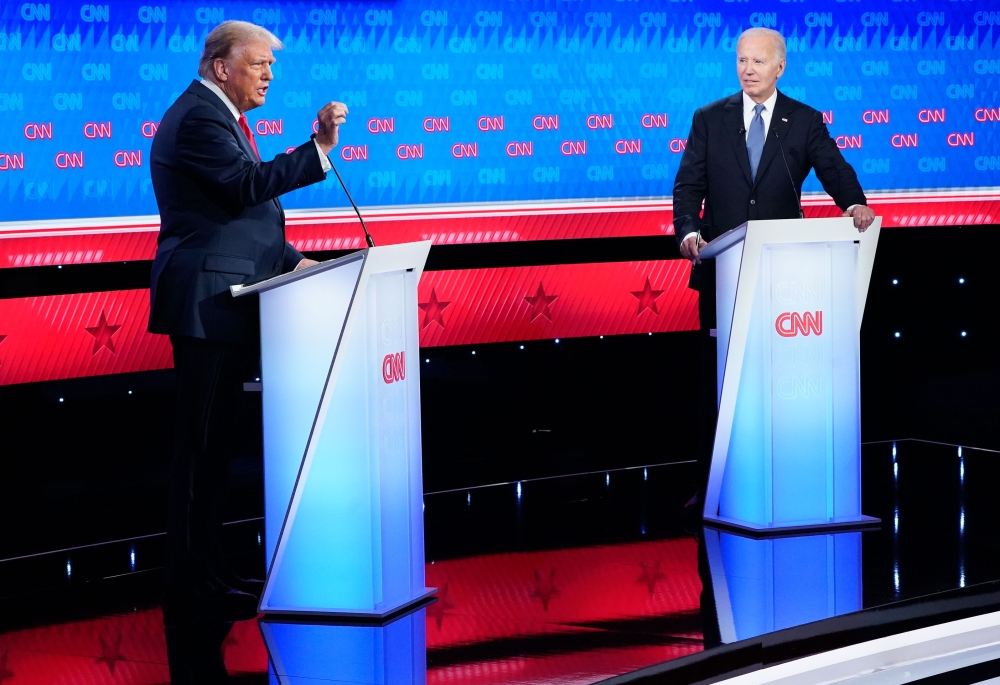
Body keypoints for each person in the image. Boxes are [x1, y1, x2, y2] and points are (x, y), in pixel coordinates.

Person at [148, 20, 348, 617]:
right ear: (221, 67)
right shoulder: (199, 118)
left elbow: (241, 219)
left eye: (271, 66)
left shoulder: (220, 118)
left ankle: (208, 570)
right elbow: (244, 187)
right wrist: (317, 149)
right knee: (201, 448)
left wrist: (295, 261)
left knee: (215, 449)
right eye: (259, 64)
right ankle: (190, 581)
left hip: (224, 300)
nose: (269, 75)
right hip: (207, 302)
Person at [672, 27, 876, 512]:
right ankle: (713, 488)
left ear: (780, 67)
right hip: (722, 270)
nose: (747, 70)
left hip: (785, 277)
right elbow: (689, 183)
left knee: (775, 378)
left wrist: (853, 203)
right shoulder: (709, 118)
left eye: (758, 62)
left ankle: (783, 481)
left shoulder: (803, 120)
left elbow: (833, 168)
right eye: (742, 60)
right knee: (718, 381)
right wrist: (688, 231)